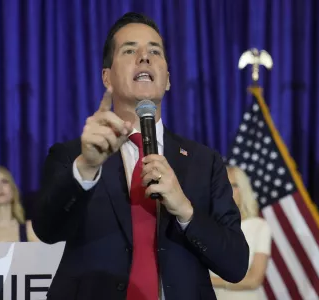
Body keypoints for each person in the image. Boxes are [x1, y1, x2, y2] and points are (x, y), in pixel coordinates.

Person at [32, 12, 249, 300]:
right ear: (106, 77)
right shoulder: (73, 156)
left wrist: (185, 209)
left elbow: (235, 265)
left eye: (155, 51)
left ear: (168, 80)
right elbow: (47, 229)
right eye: (130, 50)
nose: (144, 57)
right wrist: (85, 169)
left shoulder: (204, 161)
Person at [210, 166, 272, 300]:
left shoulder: (259, 226)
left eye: (231, 185)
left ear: (242, 190)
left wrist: (211, 281)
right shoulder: (206, 225)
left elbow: (254, 280)